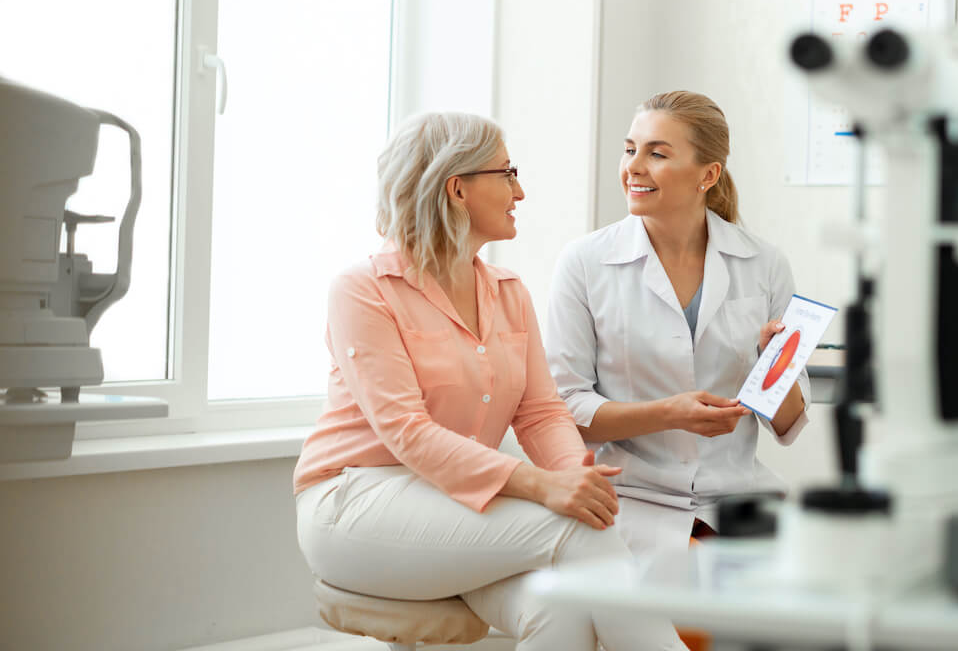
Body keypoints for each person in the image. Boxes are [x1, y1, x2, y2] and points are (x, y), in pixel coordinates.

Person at [293, 112, 688, 651]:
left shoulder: (507, 291)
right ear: (457, 188)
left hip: (452, 501)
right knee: (580, 532)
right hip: (354, 500)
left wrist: (577, 478)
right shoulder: (363, 289)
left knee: (560, 604)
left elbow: (540, 412)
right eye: (507, 173)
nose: (519, 191)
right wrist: (542, 486)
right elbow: (407, 432)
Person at [545, 90, 810, 557]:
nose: (634, 167)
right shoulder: (585, 262)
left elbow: (788, 423)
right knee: (699, 607)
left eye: (657, 153)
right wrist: (669, 413)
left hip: (739, 498)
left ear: (707, 175)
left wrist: (776, 367)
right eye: (630, 149)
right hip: (632, 498)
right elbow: (565, 409)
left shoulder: (763, 263)